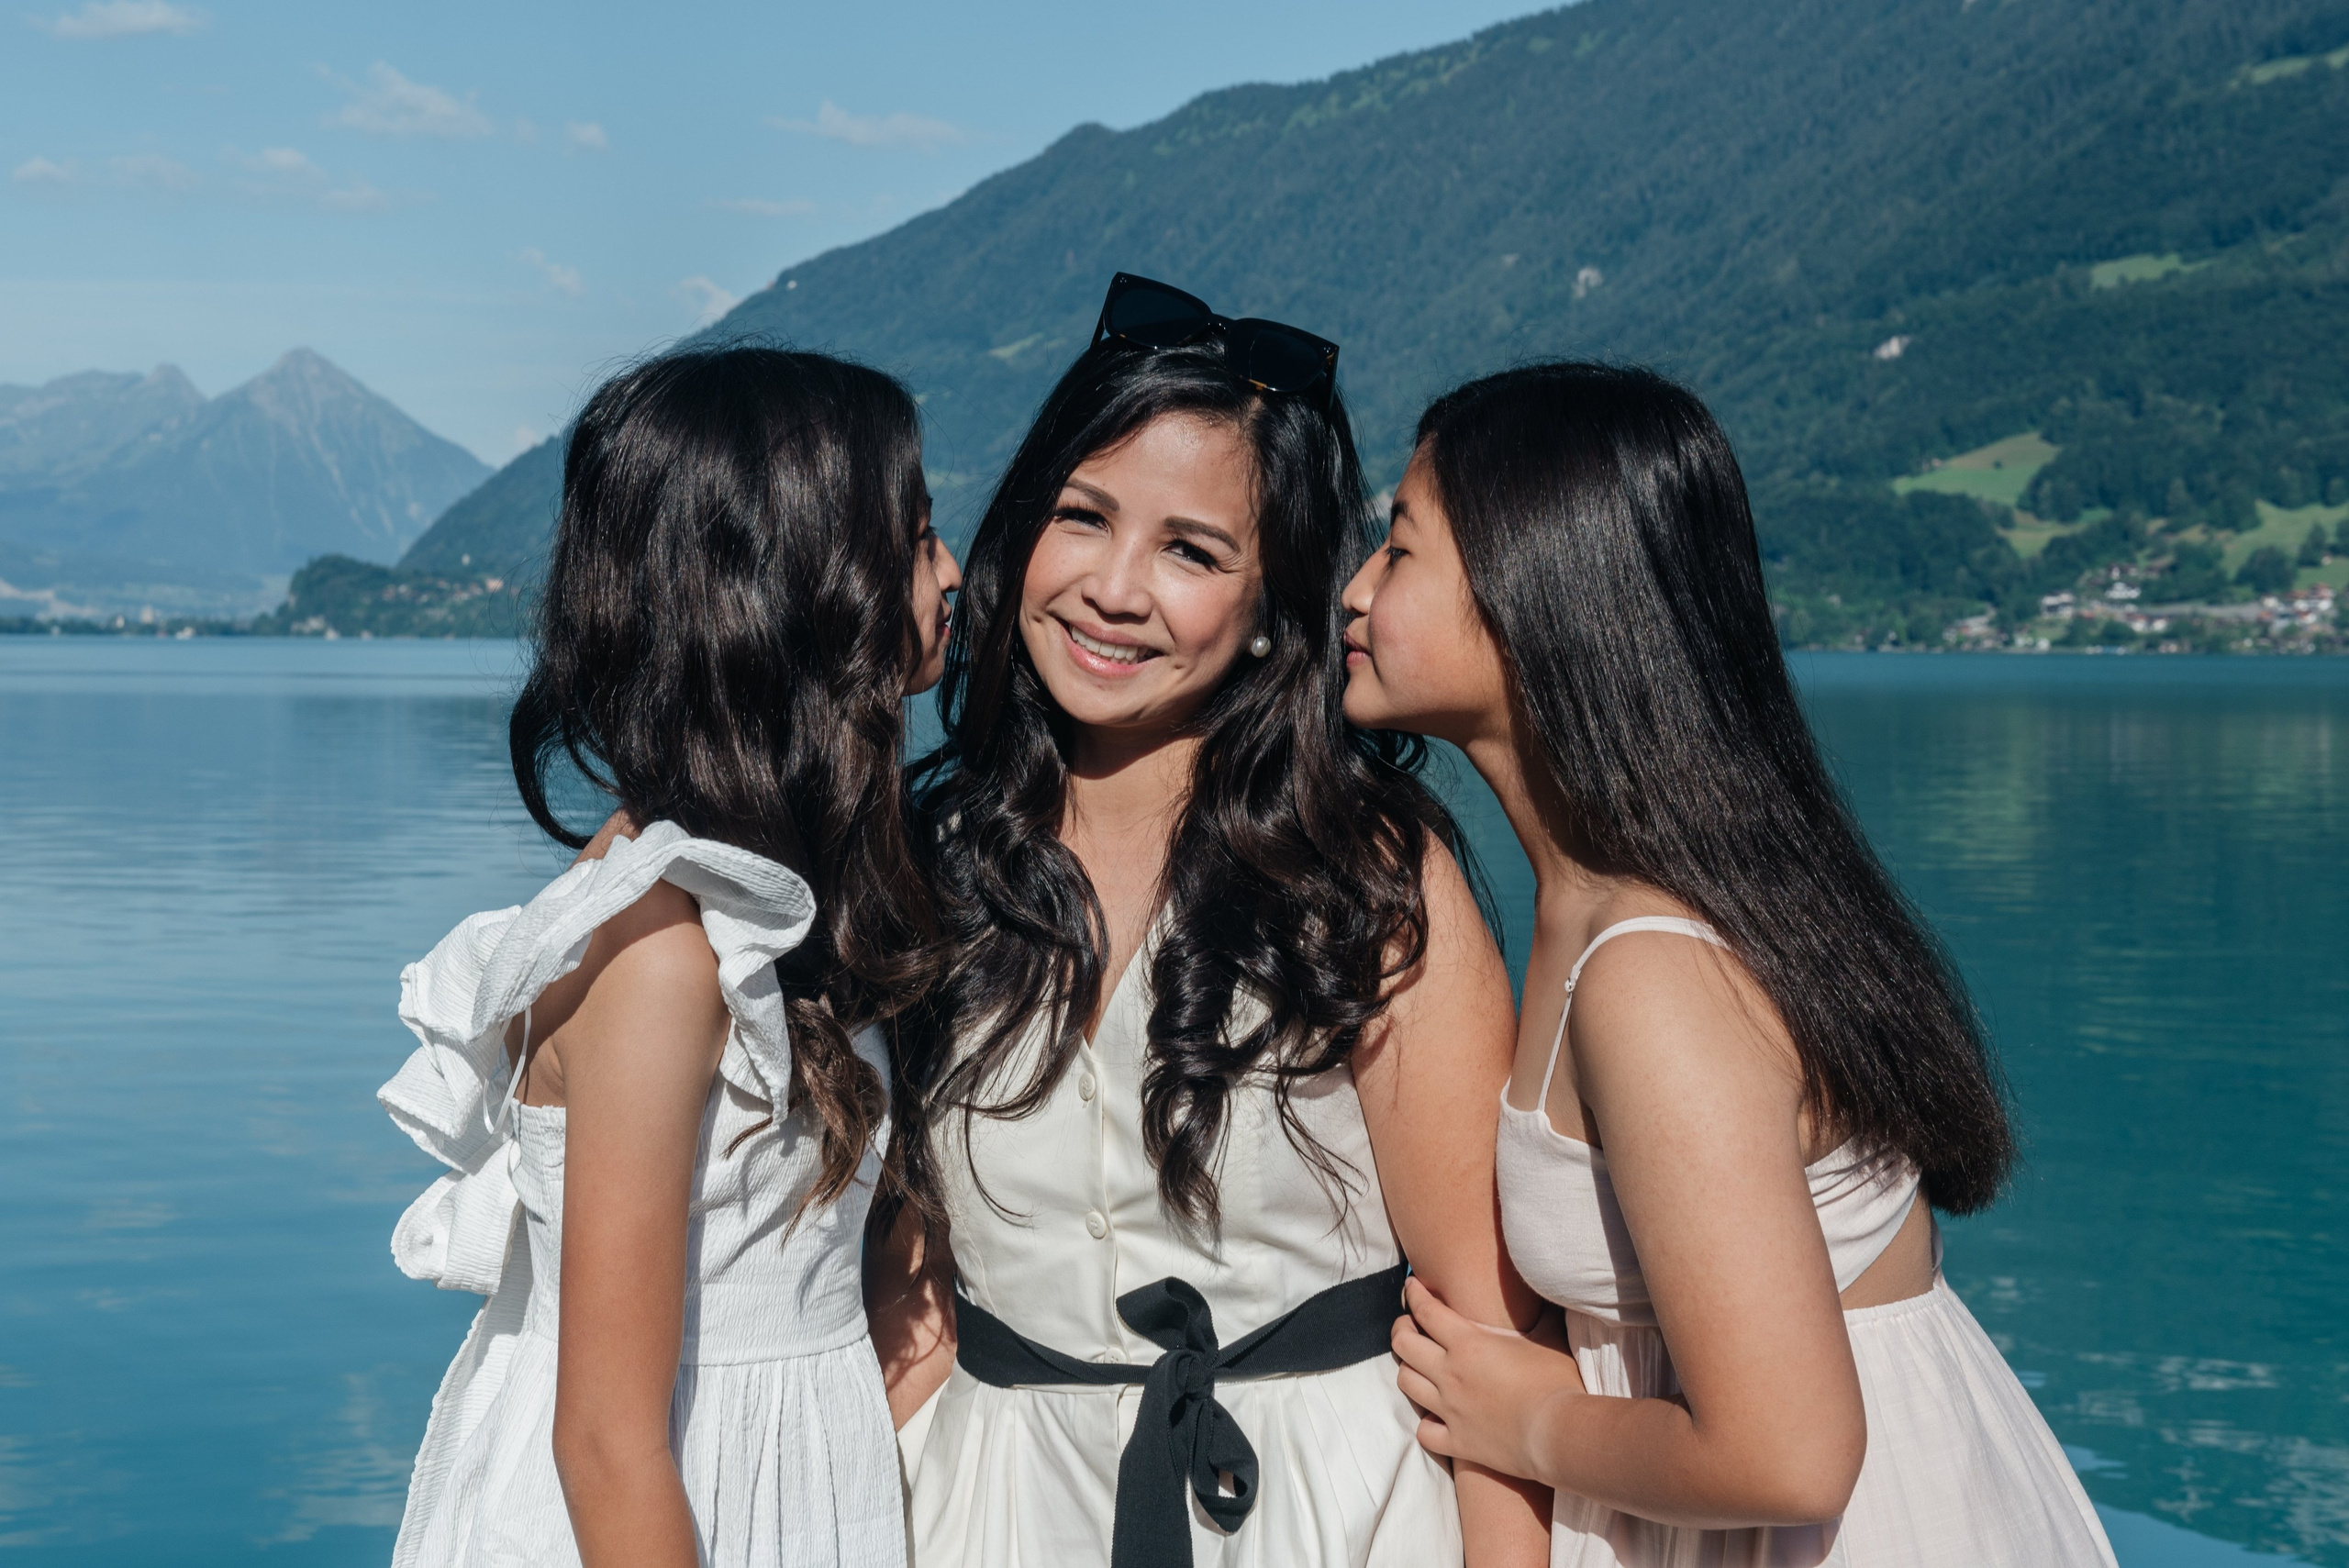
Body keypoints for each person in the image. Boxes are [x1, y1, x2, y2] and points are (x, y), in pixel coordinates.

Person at [1347, 361, 2117, 1566]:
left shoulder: (1652, 973)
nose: (1354, 589)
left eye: (1398, 549)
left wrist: (1526, 1419)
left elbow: (1787, 1452)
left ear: (1533, 588)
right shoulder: (1621, 900)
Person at [868, 274, 1551, 1568]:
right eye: (1084, 517)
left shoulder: (1365, 874)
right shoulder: (927, 861)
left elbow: (1491, 1331)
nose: (1115, 589)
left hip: (1327, 1516)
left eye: (1191, 551)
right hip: (991, 1514)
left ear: (1269, 611)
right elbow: (906, 1289)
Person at [380, 346, 962, 1568]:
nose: (952, 572)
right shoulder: (662, 957)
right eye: (916, 540)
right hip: (666, 1512)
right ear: (805, 590)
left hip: (773, 1480)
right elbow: (604, 1441)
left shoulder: (750, 903)